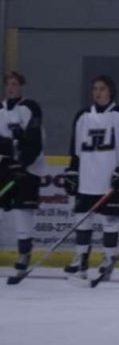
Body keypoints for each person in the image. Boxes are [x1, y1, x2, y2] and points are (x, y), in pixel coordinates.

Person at [62, 76, 119, 281]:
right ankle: (81, 258)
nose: (97, 92)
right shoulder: (83, 116)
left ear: (111, 91)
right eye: (95, 89)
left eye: (102, 89)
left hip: (110, 179)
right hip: (87, 178)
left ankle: (108, 258)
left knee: (110, 221)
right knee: (82, 219)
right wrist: (72, 171)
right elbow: (75, 148)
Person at [0, 72, 46, 278]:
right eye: (8, 84)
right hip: (5, 166)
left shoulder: (30, 107)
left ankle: (24, 252)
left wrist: (23, 162)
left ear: (21, 87)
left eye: (15, 84)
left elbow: (34, 138)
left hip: (28, 169)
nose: (11, 88)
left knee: (22, 211)